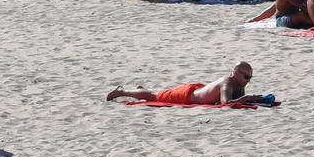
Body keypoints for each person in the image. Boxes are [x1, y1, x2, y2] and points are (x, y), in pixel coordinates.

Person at [107, 62, 255, 105]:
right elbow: (226, 103)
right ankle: (122, 92)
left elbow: (238, 100)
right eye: (246, 76)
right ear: (235, 73)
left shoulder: (239, 85)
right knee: (155, 96)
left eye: (250, 78)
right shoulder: (227, 83)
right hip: (187, 96)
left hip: (198, 90)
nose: (248, 80)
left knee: (158, 94)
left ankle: (142, 90)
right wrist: (246, 98)